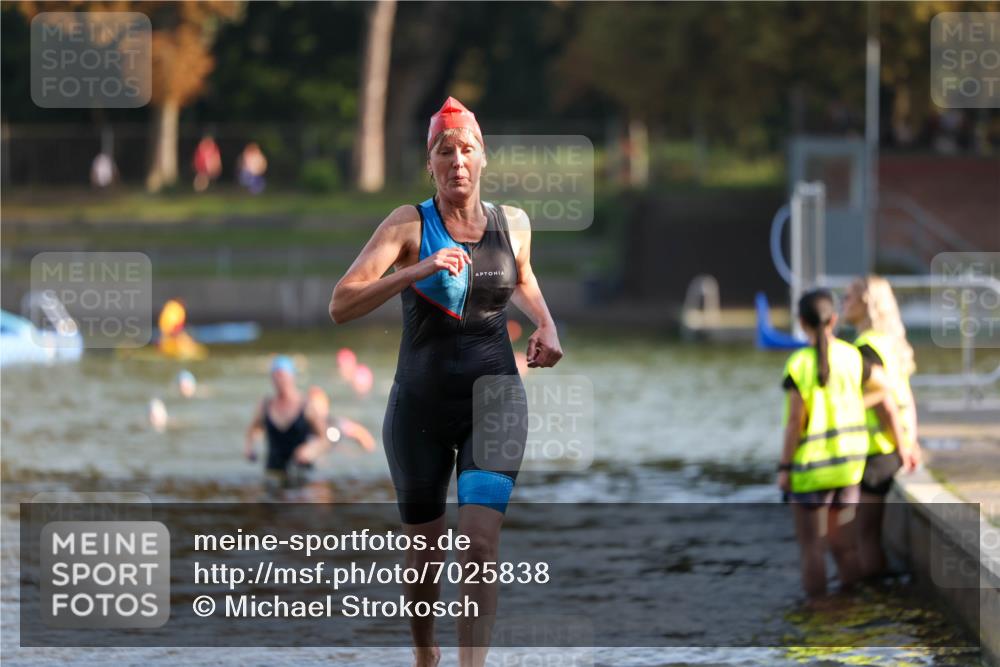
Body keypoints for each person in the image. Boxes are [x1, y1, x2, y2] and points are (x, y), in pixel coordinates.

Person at [329, 96, 562, 667]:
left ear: (484, 158)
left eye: (466, 150)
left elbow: (524, 279)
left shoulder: (514, 224)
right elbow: (340, 304)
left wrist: (548, 324)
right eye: (444, 151)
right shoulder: (409, 223)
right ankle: (425, 654)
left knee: (480, 543)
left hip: (497, 398)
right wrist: (418, 268)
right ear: (429, 164)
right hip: (420, 408)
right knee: (425, 556)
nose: (457, 161)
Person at [778, 289, 905, 601]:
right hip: (849, 464)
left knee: (812, 548)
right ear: (834, 319)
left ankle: (819, 619)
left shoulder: (799, 365)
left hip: (812, 467)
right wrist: (852, 404)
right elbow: (887, 388)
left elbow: (796, 422)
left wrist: (784, 467)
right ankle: (852, 611)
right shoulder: (852, 356)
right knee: (844, 546)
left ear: (801, 322)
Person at [842, 275, 922, 578]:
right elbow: (907, 398)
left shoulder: (865, 347)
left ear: (866, 303)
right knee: (868, 535)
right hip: (891, 446)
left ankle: (873, 597)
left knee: (866, 536)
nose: (843, 303)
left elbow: (883, 400)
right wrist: (910, 441)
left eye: (848, 297)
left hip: (877, 451)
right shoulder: (890, 342)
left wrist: (903, 447)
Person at [244, 355, 327, 493]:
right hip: (273, 472)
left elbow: (324, 438)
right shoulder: (265, 405)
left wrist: (311, 450)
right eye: (275, 376)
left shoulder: (306, 405)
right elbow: (253, 430)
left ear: (292, 376)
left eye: (282, 375)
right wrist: (250, 448)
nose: (279, 380)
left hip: (303, 473)